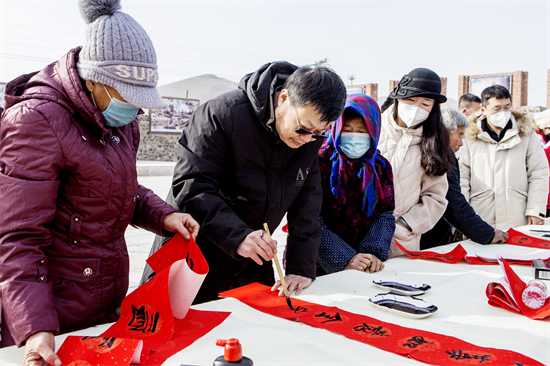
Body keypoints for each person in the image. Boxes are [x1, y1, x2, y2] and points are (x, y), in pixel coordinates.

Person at [0, 0, 199, 363]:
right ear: (94, 79)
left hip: (103, 301)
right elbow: (18, 238)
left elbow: (116, 188)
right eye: (128, 97)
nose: (135, 110)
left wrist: (163, 216)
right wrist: (35, 327)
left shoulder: (120, 121)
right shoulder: (36, 121)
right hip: (51, 310)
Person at [141, 62, 347, 303]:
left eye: (319, 133)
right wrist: (238, 236)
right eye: (303, 128)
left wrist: (300, 268)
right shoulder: (222, 114)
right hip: (196, 255)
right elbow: (191, 187)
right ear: (284, 98)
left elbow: (307, 206)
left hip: (252, 263)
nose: (308, 139)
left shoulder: (307, 140)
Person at [378, 68, 454, 257]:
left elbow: (435, 197)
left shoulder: (434, 144)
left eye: (425, 104)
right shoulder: (372, 128)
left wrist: (407, 224)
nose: (416, 108)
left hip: (400, 241)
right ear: (397, 98)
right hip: (357, 233)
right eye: (410, 100)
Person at [316, 94, 395, 274]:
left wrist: (370, 255)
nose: (353, 137)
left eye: (361, 132)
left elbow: (384, 214)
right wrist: (345, 258)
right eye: (347, 129)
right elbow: (309, 218)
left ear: (373, 132)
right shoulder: (319, 162)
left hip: (364, 265)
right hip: (316, 264)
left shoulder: (381, 167)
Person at [458, 85, 548, 230]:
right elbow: (462, 178)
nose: (503, 113)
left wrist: (535, 210)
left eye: (507, 107)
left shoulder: (526, 134)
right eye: (497, 108)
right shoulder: (470, 137)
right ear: (484, 110)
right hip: (480, 215)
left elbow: (539, 172)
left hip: (518, 215)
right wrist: (464, 217)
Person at [420, 107, 509, 249]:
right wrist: (486, 233)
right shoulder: (440, 157)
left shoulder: (432, 152)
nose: (461, 143)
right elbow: (454, 202)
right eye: (459, 136)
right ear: (445, 133)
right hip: (428, 236)